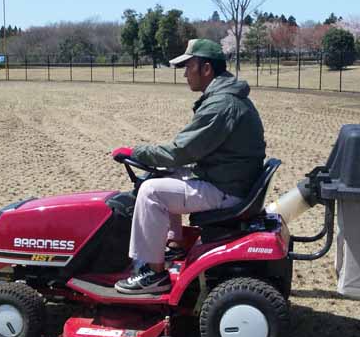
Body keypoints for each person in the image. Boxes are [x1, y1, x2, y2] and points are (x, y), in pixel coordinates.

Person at [112, 39, 266, 294]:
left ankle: (153, 274)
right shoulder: (225, 98)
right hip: (231, 179)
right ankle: (174, 244)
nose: (184, 74)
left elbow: (180, 151)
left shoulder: (222, 105)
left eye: (188, 66)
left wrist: (136, 152)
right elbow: (184, 153)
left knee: (152, 192)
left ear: (206, 69)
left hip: (227, 188)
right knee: (165, 174)